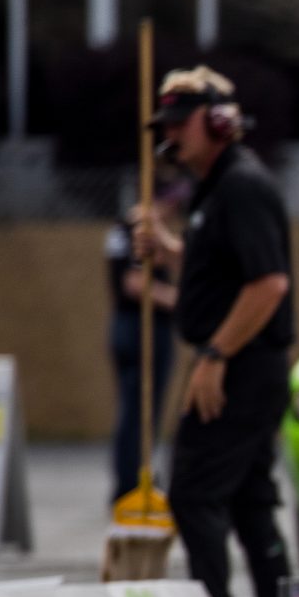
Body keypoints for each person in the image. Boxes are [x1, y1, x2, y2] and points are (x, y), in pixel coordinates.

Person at [135, 66, 294, 597]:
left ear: (220, 121)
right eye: (166, 123)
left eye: (181, 122)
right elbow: (228, 272)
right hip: (242, 364)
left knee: (195, 495)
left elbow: (268, 284)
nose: (170, 135)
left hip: (241, 367)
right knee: (250, 505)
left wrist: (215, 355)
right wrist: (172, 250)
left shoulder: (241, 186)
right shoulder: (215, 189)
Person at [104, 177, 181, 503]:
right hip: (142, 327)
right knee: (141, 409)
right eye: (170, 203)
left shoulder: (118, 230)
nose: (174, 210)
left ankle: (134, 474)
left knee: (135, 408)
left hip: (124, 326)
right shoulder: (138, 230)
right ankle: (132, 481)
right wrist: (179, 300)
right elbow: (136, 283)